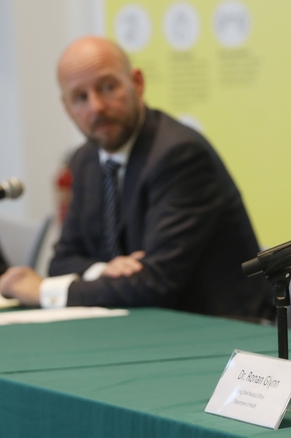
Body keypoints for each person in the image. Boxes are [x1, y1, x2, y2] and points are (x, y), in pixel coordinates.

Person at [0, 36, 273, 319]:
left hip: (219, 329)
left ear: (137, 83)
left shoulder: (180, 155)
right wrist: (104, 270)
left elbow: (155, 283)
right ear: (67, 108)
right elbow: (62, 262)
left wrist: (45, 291)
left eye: (107, 87)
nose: (96, 107)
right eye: (80, 97)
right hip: (145, 323)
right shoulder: (85, 160)